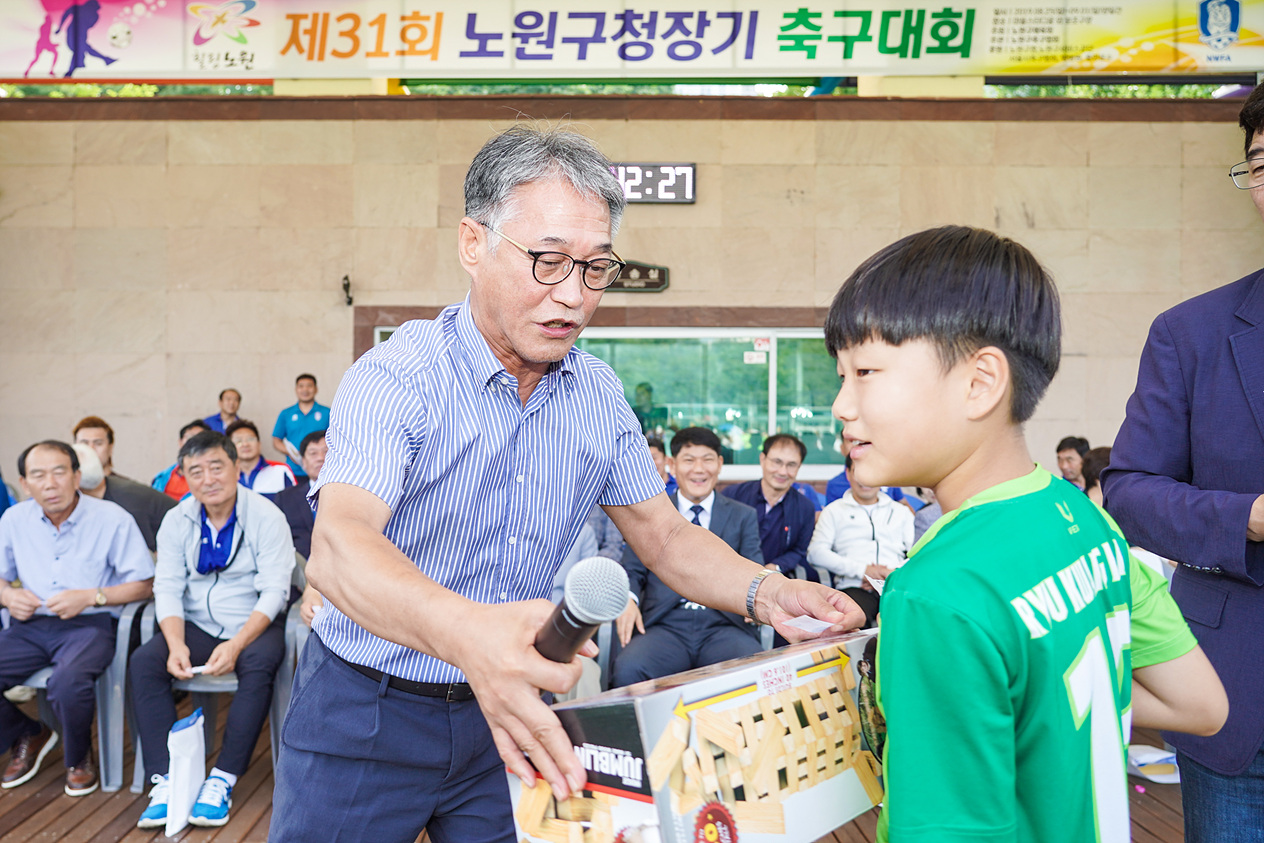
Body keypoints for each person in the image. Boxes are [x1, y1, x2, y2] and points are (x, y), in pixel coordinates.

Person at [269, 125, 862, 843]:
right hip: (365, 709)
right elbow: (339, 546)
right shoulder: (397, 377)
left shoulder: (599, 395)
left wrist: (772, 591)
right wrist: (471, 635)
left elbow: (667, 535)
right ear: (472, 243)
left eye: (596, 268)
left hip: (516, 717)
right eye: (548, 261)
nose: (573, 296)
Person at [827, 225, 1226, 842]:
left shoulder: (937, 590)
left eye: (865, 371)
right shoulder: (1081, 519)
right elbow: (1200, 705)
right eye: (841, 376)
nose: (841, 405)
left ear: (981, 382)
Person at [1102, 83, 1264, 843]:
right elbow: (1129, 491)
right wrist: (1246, 516)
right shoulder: (1191, 332)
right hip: (1237, 690)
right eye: (1261, 162)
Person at [130, 431, 294, 829]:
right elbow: (166, 586)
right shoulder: (177, 519)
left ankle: (223, 777)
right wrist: (174, 644)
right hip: (197, 623)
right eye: (196, 471)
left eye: (217, 466)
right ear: (184, 477)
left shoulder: (266, 516)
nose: (208, 479)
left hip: (253, 621)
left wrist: (237, 645)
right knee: (144, 662)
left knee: (259, 666)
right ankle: (166, 779)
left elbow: (276, 588)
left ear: (236, 467)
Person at [0, 441, 154, 797]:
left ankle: (78, 756)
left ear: (76, 476)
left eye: (59, 472)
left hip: (91, 625)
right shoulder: (13, 519)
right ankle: (27, 732)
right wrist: (8, 595)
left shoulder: (112, 518)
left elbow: (145, 584)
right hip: (31, 626)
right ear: (24, 483)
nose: (49, 483)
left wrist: (91, 596)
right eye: (38, 475)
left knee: (67, 682)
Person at [612, 427, 764, 686]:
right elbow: (632, 569)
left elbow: (754, 564)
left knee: (754, 669)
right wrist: (628, 599)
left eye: (707, 460)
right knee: (630, 668)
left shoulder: (742, 515)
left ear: (719, 464)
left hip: (724, 624)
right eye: (689, 460)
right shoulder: (651, 513)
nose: (699, 469)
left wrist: (760, 591)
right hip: (665, 625)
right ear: (672, 465)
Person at [807, 456, 913, 627]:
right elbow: (816, 553)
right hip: (854, 587)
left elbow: (918, 553)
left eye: (872, 472)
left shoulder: (901, 512)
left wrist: (892, 573)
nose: (866, 480)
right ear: (848, 474)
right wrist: (863, 570)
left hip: (897, 586)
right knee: (846, 622)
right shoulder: (834, 511)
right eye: (859, 472)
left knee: (917, 620)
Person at [722, 434, 817, 579]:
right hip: (731, 575)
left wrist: (775, 567)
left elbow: (799, 550)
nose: (783, 472)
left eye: (791, 465)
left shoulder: (805, 508)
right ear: (762, 459)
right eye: (777, 462)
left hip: (775, 580)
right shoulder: (732, 495)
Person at [74, 418, 176, 552]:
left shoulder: (127, 494)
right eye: (84, 443)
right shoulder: (74, 493)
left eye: (98, 443)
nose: (91, 449)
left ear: (110, 447)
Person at [273, 430, 327, 560]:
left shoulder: (352, 496)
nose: (321, 458)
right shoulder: (285, 498)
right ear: (303, 461)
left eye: (326, 452)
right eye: (313, 453)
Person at [825, 429, 911, 508]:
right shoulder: (834, 485)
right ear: (842, 448)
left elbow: (903, 504)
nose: (857, 446)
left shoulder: (887, 478)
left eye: (862, 442)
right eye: (851, 441)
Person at [271, 374, 330, 481]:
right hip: (294, 470)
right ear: (296, 389)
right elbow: (276, 440)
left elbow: (335, 440)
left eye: (309, 386)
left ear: (316, 389)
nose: (305, 390)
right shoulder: (286, 413)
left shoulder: (327, 412)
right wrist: (293, 454)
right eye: (301, 386)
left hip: (321, 469)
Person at [227, 420, 294, 496]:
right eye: (238, 441)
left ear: (259, 444)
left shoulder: (280, 470)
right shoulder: (225, 475)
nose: (245, 444)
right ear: (230, 448)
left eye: (250, 439)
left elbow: (294, 502)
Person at [152, 420, 212, 501]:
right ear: (180, 442)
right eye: (190, 437)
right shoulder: (162, 477)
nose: (193, 442)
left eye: (200, 438)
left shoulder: (211, 479)